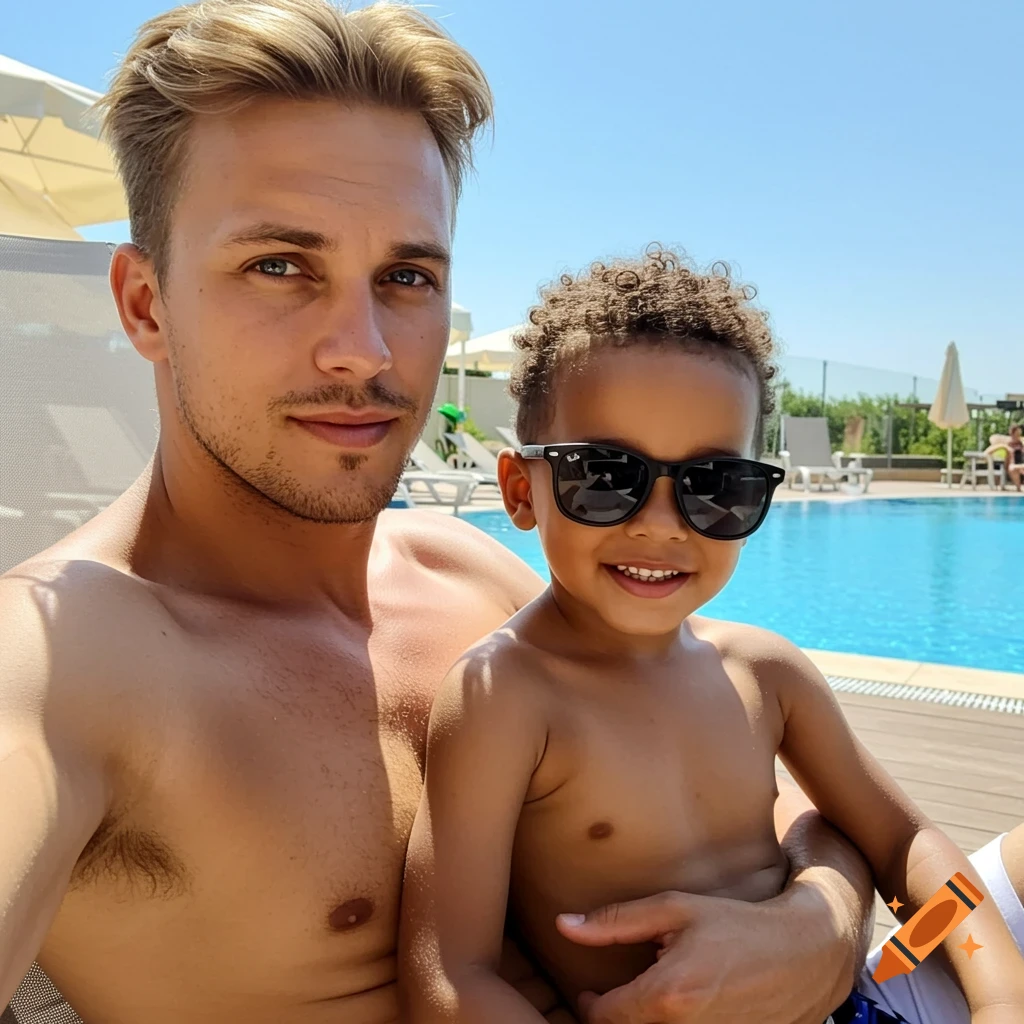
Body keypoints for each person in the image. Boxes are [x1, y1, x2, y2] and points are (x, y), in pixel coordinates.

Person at [0, 3, 880, 1023]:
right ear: (146, 305)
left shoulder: (469, 576)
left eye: (405, 276)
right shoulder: (65, 665)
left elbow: (766, 795)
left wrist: (821, 921)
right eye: (279, 266)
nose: (364, 349)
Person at [398, 250, 1024, 1024]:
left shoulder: (765, 672)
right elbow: (450, 975)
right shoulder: (507, 697)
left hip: (866, 994)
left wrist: (998, 996)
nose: (661, 525)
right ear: (522, 492)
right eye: (605, 477)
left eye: (715, 487)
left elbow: (909, 849)